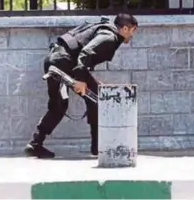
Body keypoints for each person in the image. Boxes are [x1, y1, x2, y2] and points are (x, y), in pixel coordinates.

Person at [24, 13, 138, 158]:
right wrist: (80, 79)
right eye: (133, 30)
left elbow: (82, 53)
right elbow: (85, 53)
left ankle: (35, 143)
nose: (133, 35)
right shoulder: (109, 37)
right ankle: (98, 149)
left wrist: (89, 79)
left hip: (55, 60)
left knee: (59, 105)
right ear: (126, 28)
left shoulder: (104, 30)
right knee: (96, 99)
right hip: (64, 63)